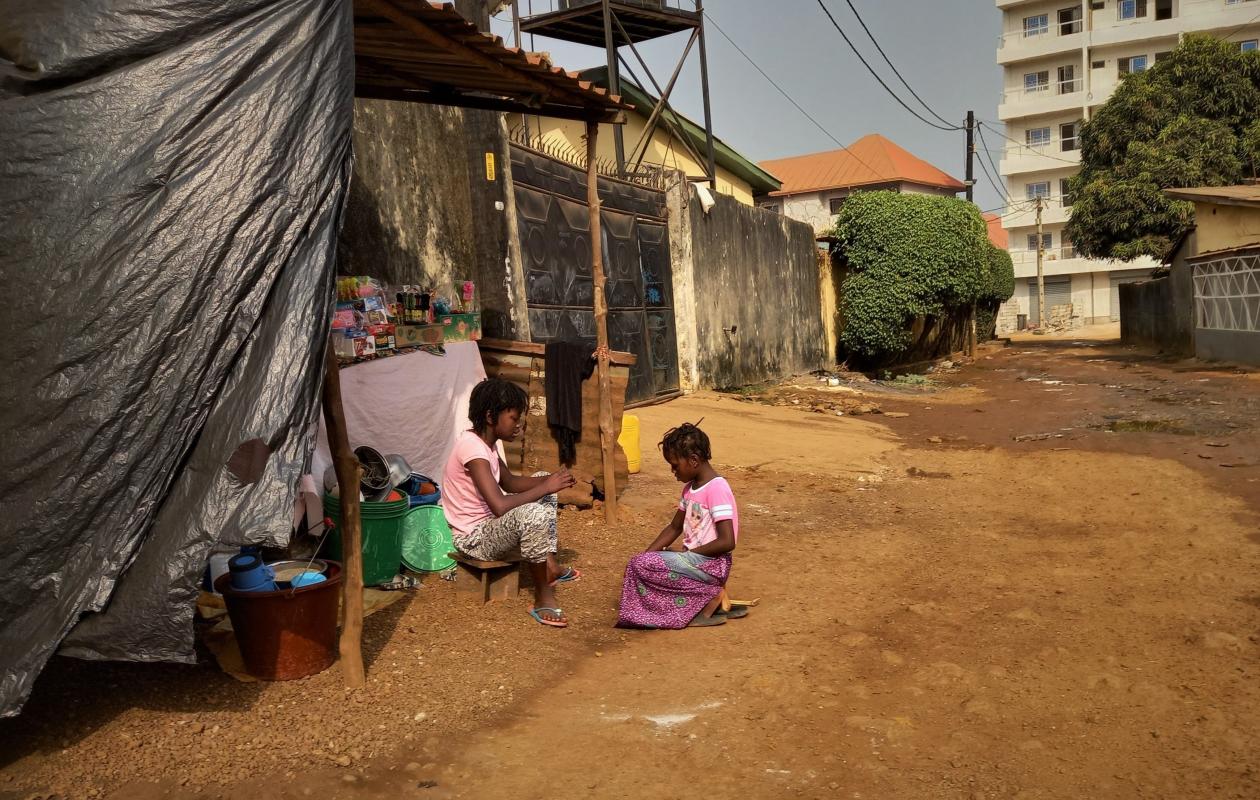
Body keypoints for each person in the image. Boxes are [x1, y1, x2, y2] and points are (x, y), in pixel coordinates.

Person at [443, 378, 579, 628]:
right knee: (533, 511)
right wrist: (546, 487)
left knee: (541, 482)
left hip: (491, 528)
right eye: (514, 419)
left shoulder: (487, 446)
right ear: (490, 416)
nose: (518, 425)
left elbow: (511, 484)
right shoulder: (471, 450)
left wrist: (552, 480)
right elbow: (500, 506)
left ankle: (549, 564)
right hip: (474, 539)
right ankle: (543, 596)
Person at [617, 421, 743, 629]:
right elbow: (675, 527)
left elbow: (727, 541)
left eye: (675, 465)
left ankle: (709, 595)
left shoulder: (717, 488)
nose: (673, 470)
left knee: (639, 566)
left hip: (712, 563)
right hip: (696, 560)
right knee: (640, 564)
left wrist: (687, 556)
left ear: (693, 460)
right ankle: (701, 598)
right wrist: (646, 556)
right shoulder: (689, 489)